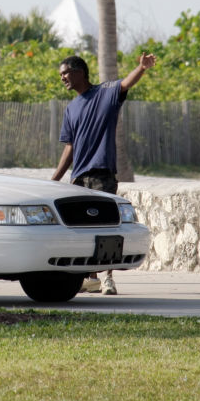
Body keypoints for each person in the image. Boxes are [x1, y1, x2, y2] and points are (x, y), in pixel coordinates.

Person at [52, 52, 156, 295]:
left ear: (80, 73)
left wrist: (141, 68)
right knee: (79, 230)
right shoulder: (71, 108)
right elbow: (70, 147)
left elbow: (125, 83)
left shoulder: (105, 94)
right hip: (78, 179)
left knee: (105, 227)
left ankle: (108, 279)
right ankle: (90, 278)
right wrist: (55, 180)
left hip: (102, 176)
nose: (62, 78)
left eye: (65, 73)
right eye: (60, 75)